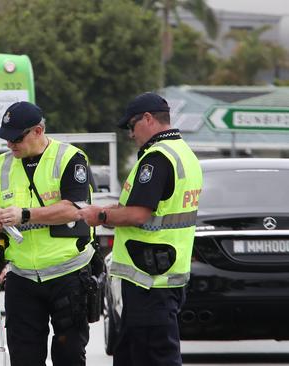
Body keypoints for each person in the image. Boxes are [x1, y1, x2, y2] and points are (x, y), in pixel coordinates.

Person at [79, 92, 202, 366]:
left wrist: (99, 214)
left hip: (149, 278)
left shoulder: (156, 158)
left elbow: (137, 213)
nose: (131, 134)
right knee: (132, 354)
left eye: (132, 126)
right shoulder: (184, 154)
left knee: (156, 356)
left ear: (148, 119)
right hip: (164, 273)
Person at [0, 101, 95, 366]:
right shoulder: (4, 165)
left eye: (16, 138)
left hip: (67, 273)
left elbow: (74, 209)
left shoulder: (70, 158)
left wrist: (25, 214)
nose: (10, 144)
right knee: (24, 357)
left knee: (69, 355)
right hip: (22, 277)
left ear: (38, 131)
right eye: (6, 137)